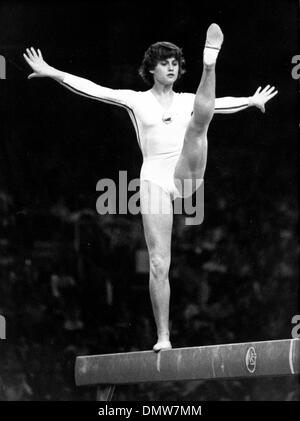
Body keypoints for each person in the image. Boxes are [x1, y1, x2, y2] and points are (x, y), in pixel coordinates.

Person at [23, 24, 278, 352]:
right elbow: (93, 89)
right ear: (150, 69)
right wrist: (52, 71)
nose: (171, 66)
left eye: (175, 62)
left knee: (198, 128)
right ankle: (163, 337)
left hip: (185, 171)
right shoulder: (135, 101)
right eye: (165, 61)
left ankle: (209, 65)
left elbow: (222, 103)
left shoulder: (187, 100)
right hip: (154, 180)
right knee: (159, 263)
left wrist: (250, 100)